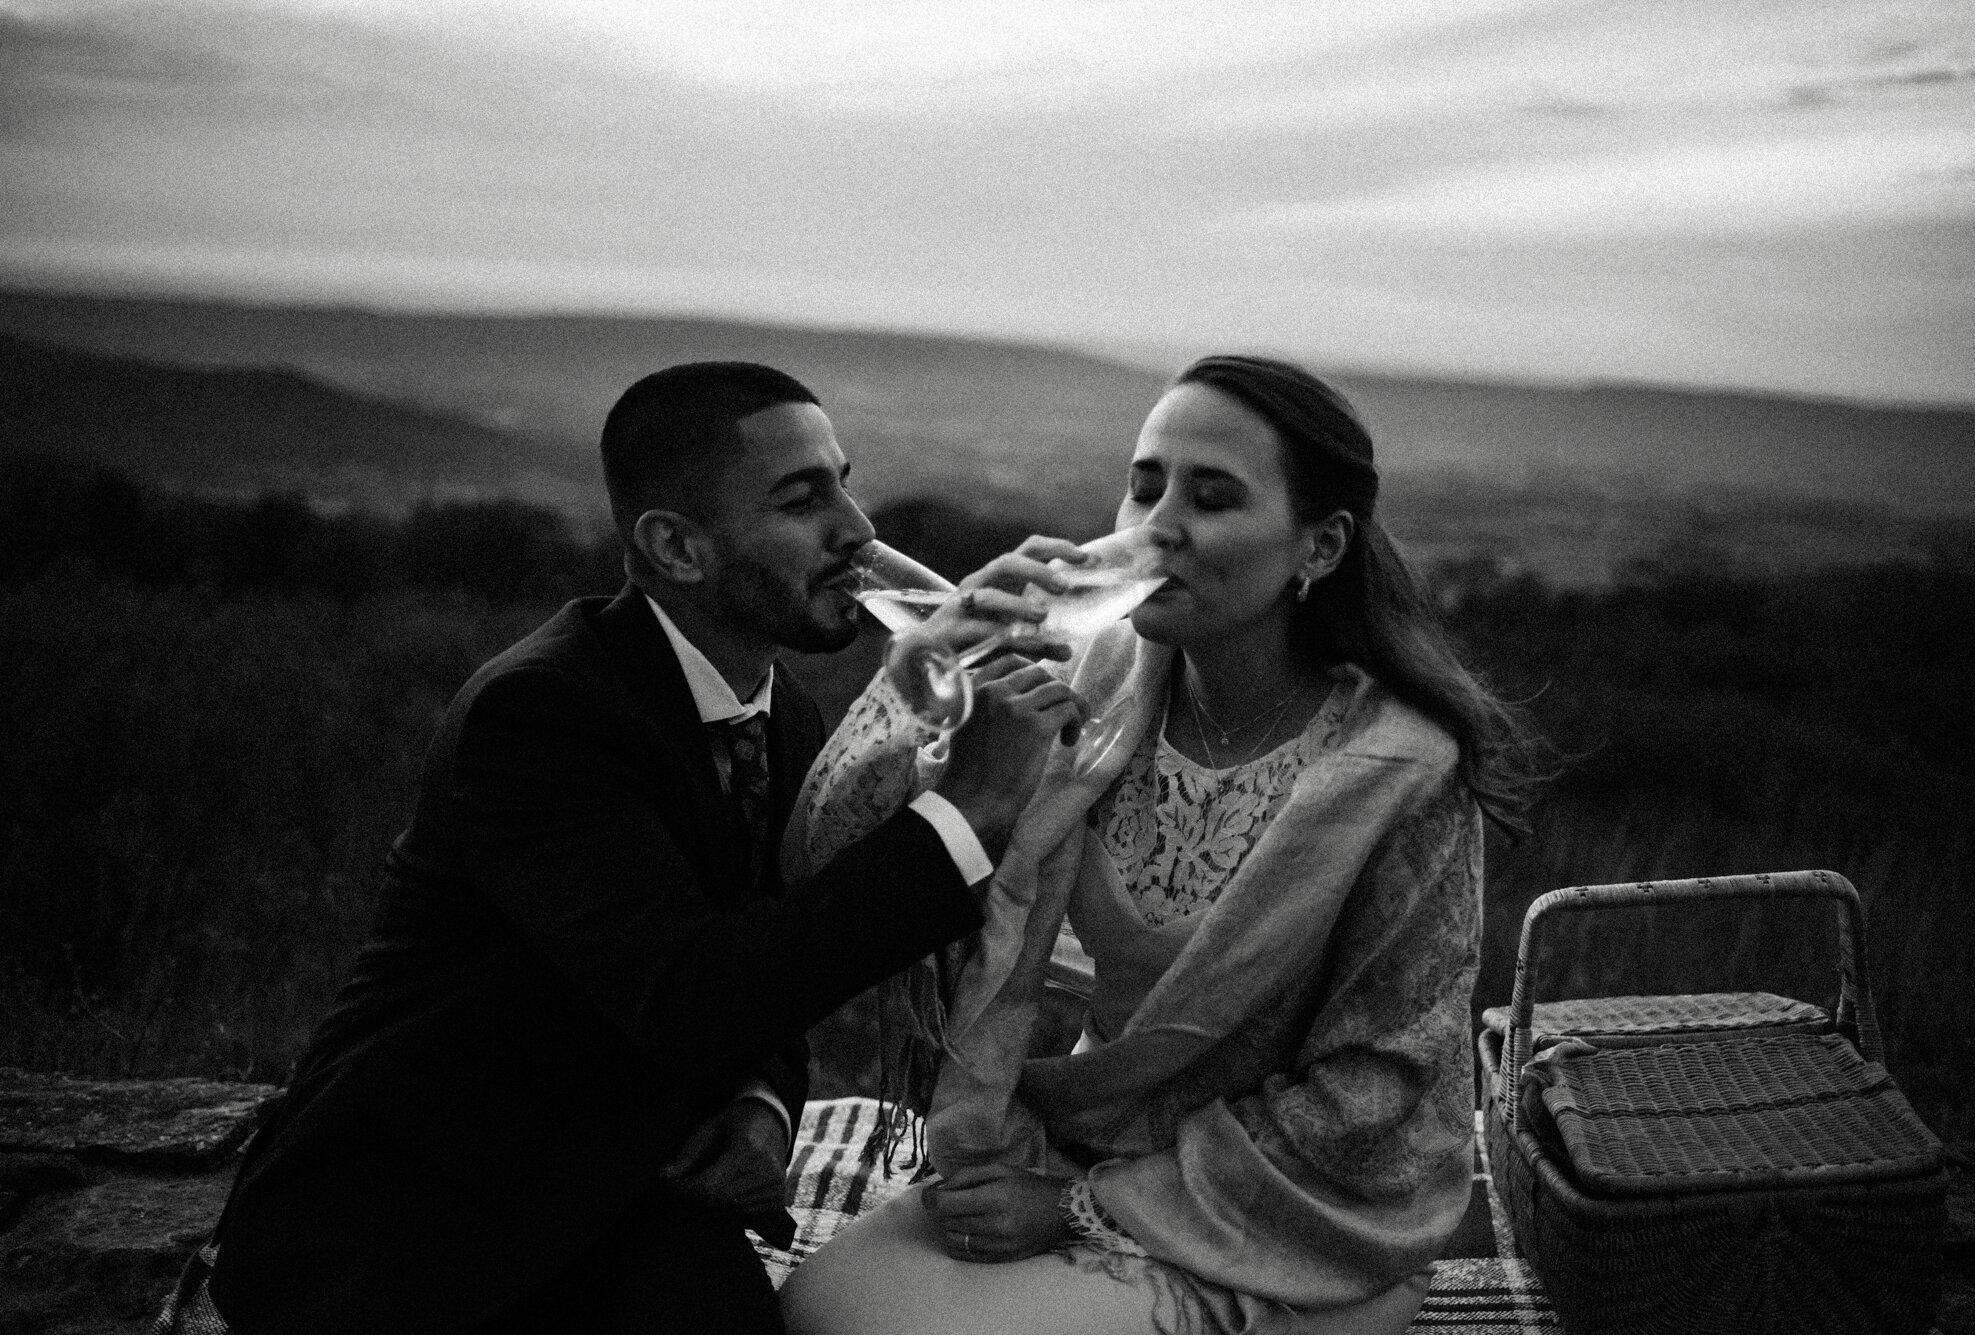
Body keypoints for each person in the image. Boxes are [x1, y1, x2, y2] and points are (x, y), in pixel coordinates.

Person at [154, 362, 1087, 1334]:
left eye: (843, 482)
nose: (856, 529)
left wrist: (764, 1103)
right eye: (802, 499)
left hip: (626, 1188)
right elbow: (692, 989)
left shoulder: (784, 716)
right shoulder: (543, 714)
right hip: (408, 1222)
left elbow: (773, 943)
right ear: (676, 547)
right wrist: (965, 810)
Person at [778, 355, 1538, 1335]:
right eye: (1143, 486)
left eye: (1210, 497)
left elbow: (1371, 1091)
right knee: (818, 1304)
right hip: (1091, 1142)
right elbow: (821, 865)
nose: (1154, 525)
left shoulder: (1399, 771)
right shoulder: (1094, 683)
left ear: (1317, 547)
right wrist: (929, 663)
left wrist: (1078, 1209)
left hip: (1299, 1217)